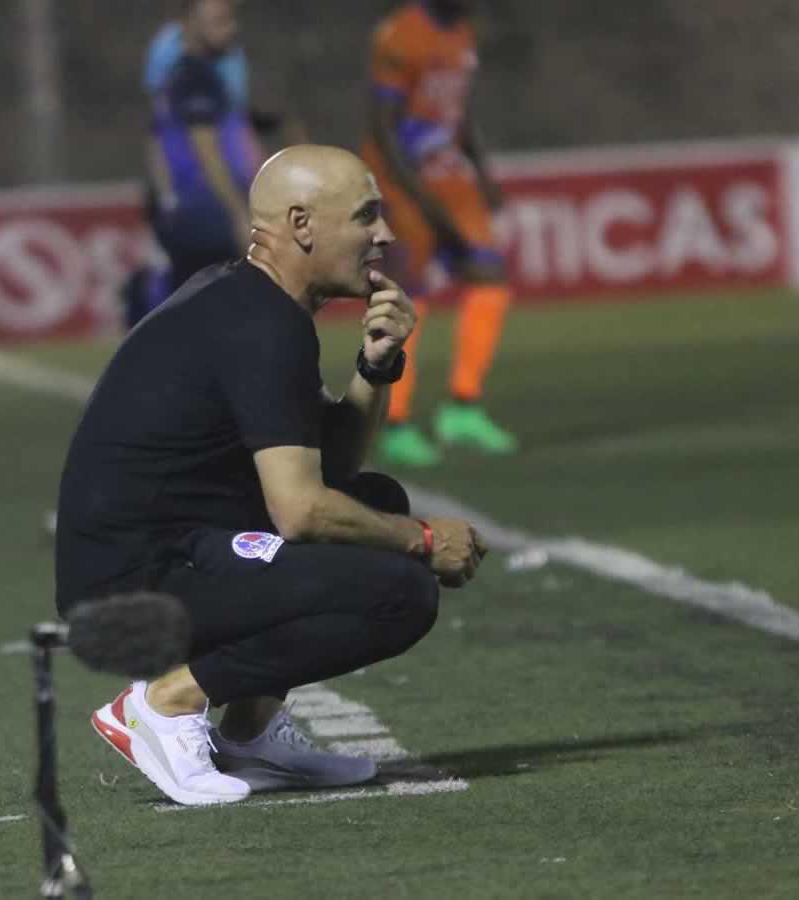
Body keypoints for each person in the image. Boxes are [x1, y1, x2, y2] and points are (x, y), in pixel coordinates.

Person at [55, 144, 488, 806]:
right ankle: (164, 704)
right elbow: (301, 512)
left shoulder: (250, 302)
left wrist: (376, 366)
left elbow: (332, 473)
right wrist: (424, 540)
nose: (386, 235)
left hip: (175, 551)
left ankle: (252, 739)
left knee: (375, 499)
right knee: (401, 591)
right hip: (134, 588)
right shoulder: (261, 326)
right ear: (302, 224)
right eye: (367, 216)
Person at [361, 0, 516, 467]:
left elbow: (458, 114)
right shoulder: (399, 36)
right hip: (400, 179)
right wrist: (419, 201)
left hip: (448, 175)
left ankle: (463, 407)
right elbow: (382, 129)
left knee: (489, 278)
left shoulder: (463, 32)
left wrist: (482, 171)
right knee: (408, 293)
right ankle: (395, 422)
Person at [127, 0, 301, 326]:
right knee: (243, 313)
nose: (230, 29)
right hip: (206, 212)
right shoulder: (194, 77)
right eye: (220, 21)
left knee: (198, 316)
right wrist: (238, 213)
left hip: (193, 212)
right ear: (190, 22)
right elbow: (207, 152)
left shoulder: (195, 74)